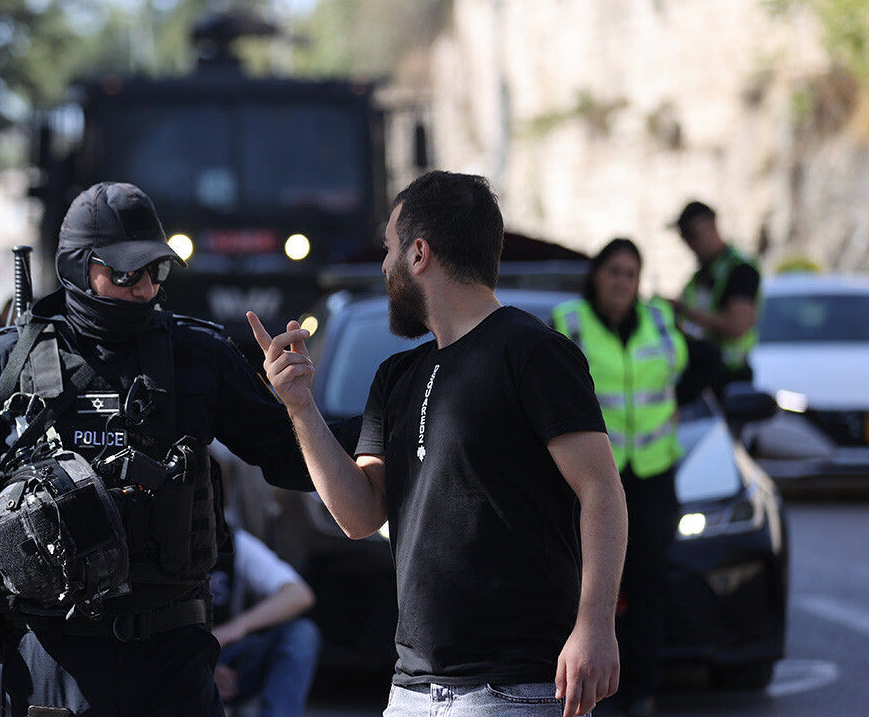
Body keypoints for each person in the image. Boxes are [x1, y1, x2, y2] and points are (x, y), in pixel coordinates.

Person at [0, 181, 329, 717]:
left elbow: (294, 461)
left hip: (173, 654)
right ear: (80, 269)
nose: (145, 288)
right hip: (53, 657)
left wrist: (316, 410)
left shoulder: (199, 355)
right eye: (126, 274)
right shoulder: (2, 365)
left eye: (157, 271)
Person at [249, 170, 628, 717]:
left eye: (389, 249)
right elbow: (359, 515)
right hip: (412, 691)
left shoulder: (533, 351)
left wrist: (594, 628)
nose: (384, 267)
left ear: (419, 253)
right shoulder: (395, 377)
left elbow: (602, 490)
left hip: (515, 690)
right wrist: (301, 408)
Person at [551, 239, 689, 717]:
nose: (621, 282)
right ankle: (579, 689)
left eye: (630, 274)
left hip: (649, 475)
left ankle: (640, 692)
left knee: (648, 587)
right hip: (586, 475)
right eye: (613, 271)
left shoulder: (659, 322)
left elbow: (683, 377)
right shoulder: (568, 321)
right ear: (596, 275)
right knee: (584, 588)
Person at [210, 527, 320, 717]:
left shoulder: (230, 541)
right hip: (168, 665)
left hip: (221, 656)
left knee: (301, 634)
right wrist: (195, 671)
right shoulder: (147, 542)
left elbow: (299, 594)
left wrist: (236, 627)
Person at [671, 201, 761, 396]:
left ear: (711, 225)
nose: (688, 243)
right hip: (701, 373)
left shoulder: (740, 270)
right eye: (683, 236)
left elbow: (736, 326)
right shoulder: (699, 276)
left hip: (730, 377)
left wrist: (684, 310)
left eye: (691, 234)